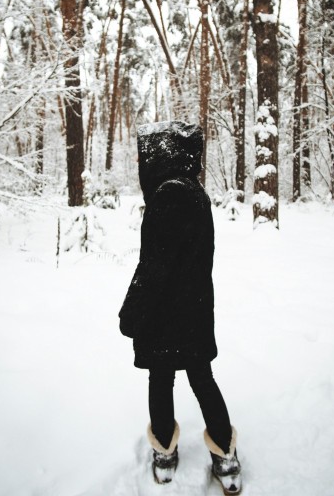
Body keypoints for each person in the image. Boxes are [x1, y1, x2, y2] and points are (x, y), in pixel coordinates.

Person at [119, 121, 242, 495]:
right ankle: (224, 455)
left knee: (163, 377)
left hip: (166, 310)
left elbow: (156, 264)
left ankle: (166, 453)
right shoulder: (194, 191)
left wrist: (133, 307)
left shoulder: (167, 195)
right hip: (195, 307)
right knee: (200, 377)